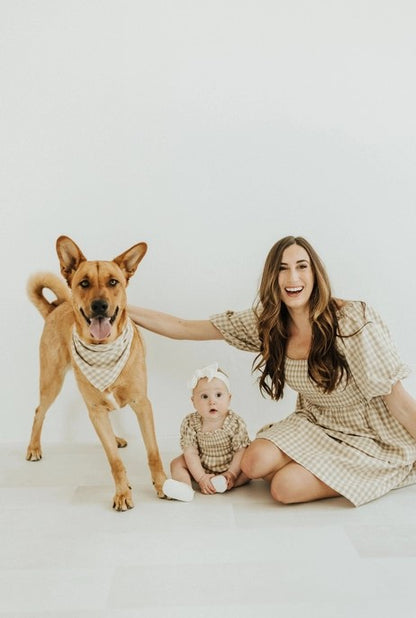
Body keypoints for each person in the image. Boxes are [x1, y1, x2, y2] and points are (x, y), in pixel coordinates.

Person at [129, 236, 416, 507]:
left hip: (369, 433)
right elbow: (183, 328)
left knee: (283, 489)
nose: (293, 278)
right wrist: (116, 307)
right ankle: (320, 465)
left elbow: (400, 403)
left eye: (302, 267)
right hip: (315, 423)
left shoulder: (351, 320)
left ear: (315, 274)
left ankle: (386, 471)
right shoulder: (268, 324)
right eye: (282, 269)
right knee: (253, 463)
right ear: (272, 278)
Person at [162, 362, 251, 502]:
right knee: (176, 463)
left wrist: (232, 473)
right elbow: (190, 452)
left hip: (231, 464)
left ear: (229, 398)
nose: (212, 401)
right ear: (193, 401)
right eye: (204, 397)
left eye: (218, 395)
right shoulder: (190, 422)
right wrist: (201, 477)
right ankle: (185, 488)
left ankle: (228, 483)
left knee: (248, 467)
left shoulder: (235, 422)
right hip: (201, 464)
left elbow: (240, 451)